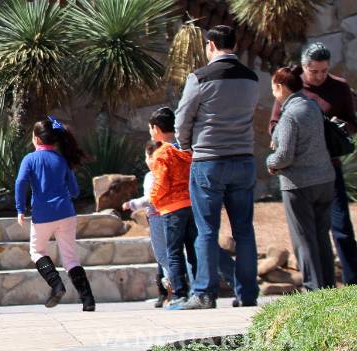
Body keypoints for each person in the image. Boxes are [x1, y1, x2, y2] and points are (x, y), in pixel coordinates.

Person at [174, 24, 261, 309]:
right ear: (234, 44)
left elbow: (182, 118)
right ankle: (247, 294)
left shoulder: (200, 77)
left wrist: (185, 145)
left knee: (207, 230)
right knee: (244, 230)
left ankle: (204, 293)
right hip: (243, 159)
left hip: (209, 161)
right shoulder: (251, 78)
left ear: (211, 45)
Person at [268, 42, 357, 285]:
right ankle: (320, 286)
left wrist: (336, 127)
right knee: (309, 234)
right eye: (313, 71)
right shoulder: (292, 87)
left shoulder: (339, 87)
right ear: (304, 67)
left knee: (340, 228)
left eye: (324, 71)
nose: (319, 76)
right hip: (300, 169)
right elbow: (275, 124)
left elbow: (352, 122)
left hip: (330, 167)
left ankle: (351, 282)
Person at [15, 116, 95, 311]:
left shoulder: (29, 159)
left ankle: (56, 285)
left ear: (36, 139)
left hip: (42, 215)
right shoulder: (62, 160)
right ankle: (88, 300)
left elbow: (20, 182)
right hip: (66, 213)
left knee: (37, 251)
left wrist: (20, 209)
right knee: (71, 258)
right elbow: (75, 191)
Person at [267, 66, 336, 291]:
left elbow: (284, 156)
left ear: (281, 87)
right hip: (324, 180)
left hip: (299, 185)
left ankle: (312, 289)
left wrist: (270, 162)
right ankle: (328, 287)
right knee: (322, 237)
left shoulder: (289, 116)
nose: (273, 93)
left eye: (273, 88)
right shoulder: (312, 106)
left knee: (303, 239)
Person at [144, 107, 197, 309]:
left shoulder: (162, 153)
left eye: (151, 129)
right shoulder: (186, 150)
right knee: (192, 250)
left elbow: (161, 182)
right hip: (190, 205)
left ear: (156, 129)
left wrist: (153, 201)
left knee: (174, 253)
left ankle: (179, 294)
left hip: (171, 209)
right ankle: (198, 291)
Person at [123, 141, 170, 307]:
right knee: (173, 253)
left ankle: (172, 288)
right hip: (172, 214)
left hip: (157, 217)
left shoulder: (152, 176)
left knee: (162, 256)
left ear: (152, 157)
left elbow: (151, 198)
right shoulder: (169, 170)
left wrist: (131, 204)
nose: (146, 160)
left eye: (146, 156)